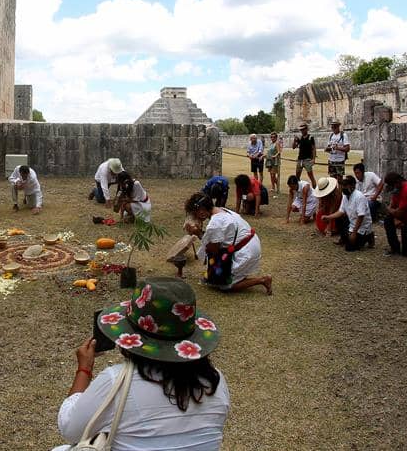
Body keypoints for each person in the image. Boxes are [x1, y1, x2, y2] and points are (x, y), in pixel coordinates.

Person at [52, 278, 229, 451]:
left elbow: (69, 428)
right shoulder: (216, 381)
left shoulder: (117, 381)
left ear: (130, 334)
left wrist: (84, 369)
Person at [185, 193, 272, 294]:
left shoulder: (215, 223)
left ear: (201, 212)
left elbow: (213, 250)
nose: (194, 217)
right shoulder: (220, 210)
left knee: (226, 285)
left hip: (246, 250)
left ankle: (263, 280)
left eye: (194, 213)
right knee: (217, 274)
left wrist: (198, 233)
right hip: (250, 243)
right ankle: (237, 274)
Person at [321, 176, 374, 251]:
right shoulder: (345, 197)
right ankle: (344, 237)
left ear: (352, 185)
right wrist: (328, 217)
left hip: (361, 227)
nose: (343, 188)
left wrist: (354, 233)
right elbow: (341, 211)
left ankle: (369, 235)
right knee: (339, 219)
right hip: (352, 224)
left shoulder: (359, 197)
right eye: (343, 185)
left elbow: (361, 216)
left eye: (345, 185)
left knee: (349, 248)